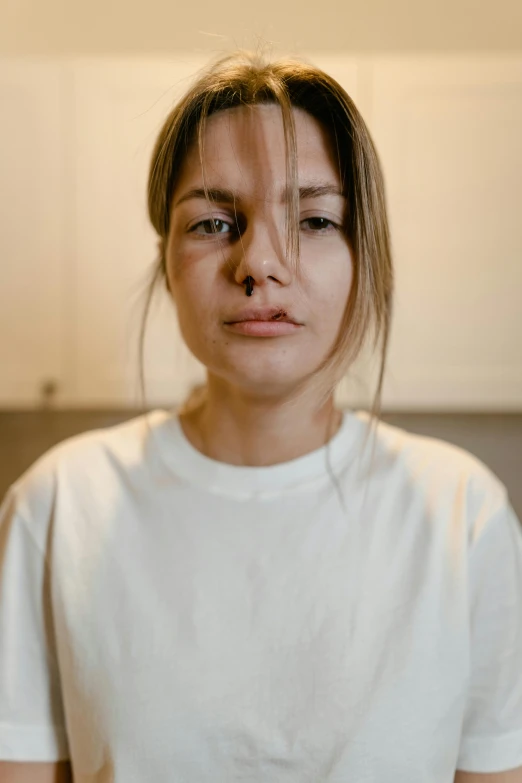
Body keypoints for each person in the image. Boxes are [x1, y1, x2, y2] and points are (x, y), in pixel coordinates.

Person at [0, 50, 521, 783]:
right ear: (165, 261)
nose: (259, 263)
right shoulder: (57, 508)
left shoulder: (463, 517)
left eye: (313, 219)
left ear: (364, 256)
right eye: (214, 222)